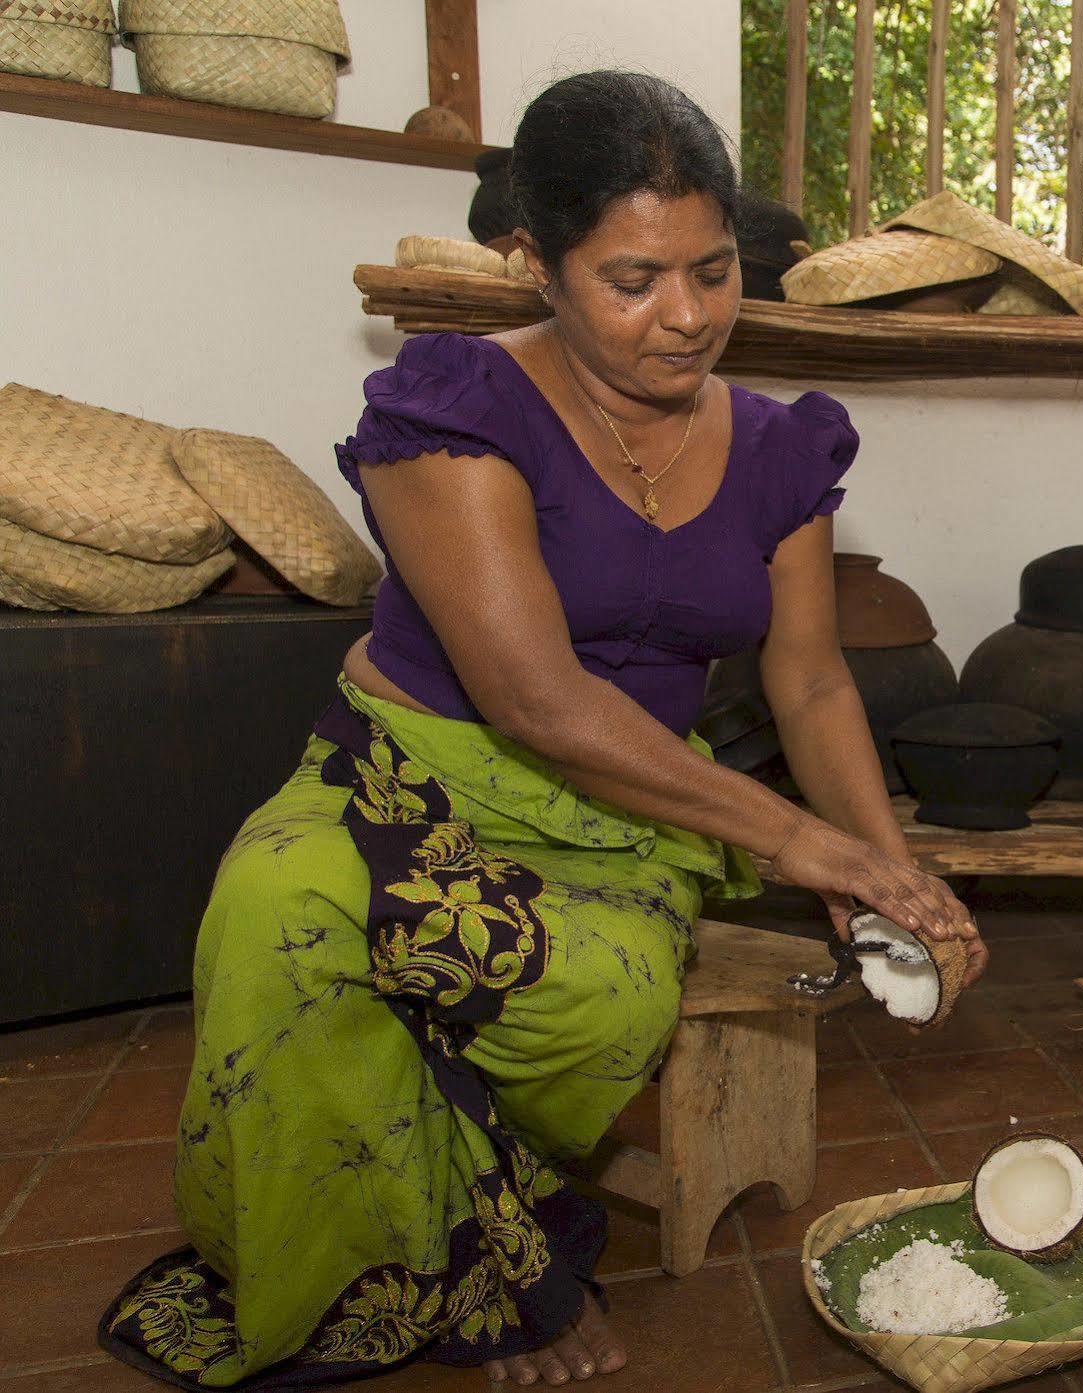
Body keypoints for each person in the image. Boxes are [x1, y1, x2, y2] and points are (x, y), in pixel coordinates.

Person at [101, 70, 986, 1389]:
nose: (685, 316)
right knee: (278, 916)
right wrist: (812, 850)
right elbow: (532, 699)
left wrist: (888, 878)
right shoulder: (451, 412)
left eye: (713, 270)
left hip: (630, 809)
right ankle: (480, 1262)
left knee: (605, 997)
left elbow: (808, 684)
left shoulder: (778, 450)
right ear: (537, 264)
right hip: (408, 776)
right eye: (633, 279)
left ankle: (483, 1221)